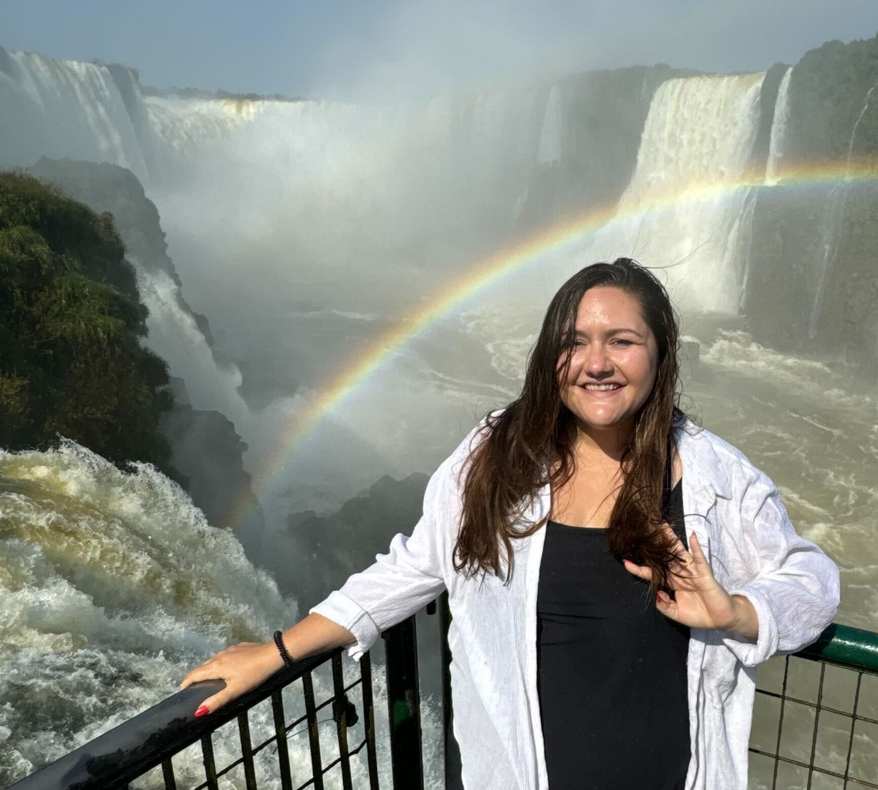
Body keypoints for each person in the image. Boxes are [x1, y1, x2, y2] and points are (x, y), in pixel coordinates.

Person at [181, 258, 841, 789]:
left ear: (660, 355)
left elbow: (810, 579)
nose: (596, 362)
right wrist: (275, 652)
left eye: (622, 341)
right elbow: (416, 565)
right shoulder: (501, 457)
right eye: (574, 343)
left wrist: (739, 615)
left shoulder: (710, 477)